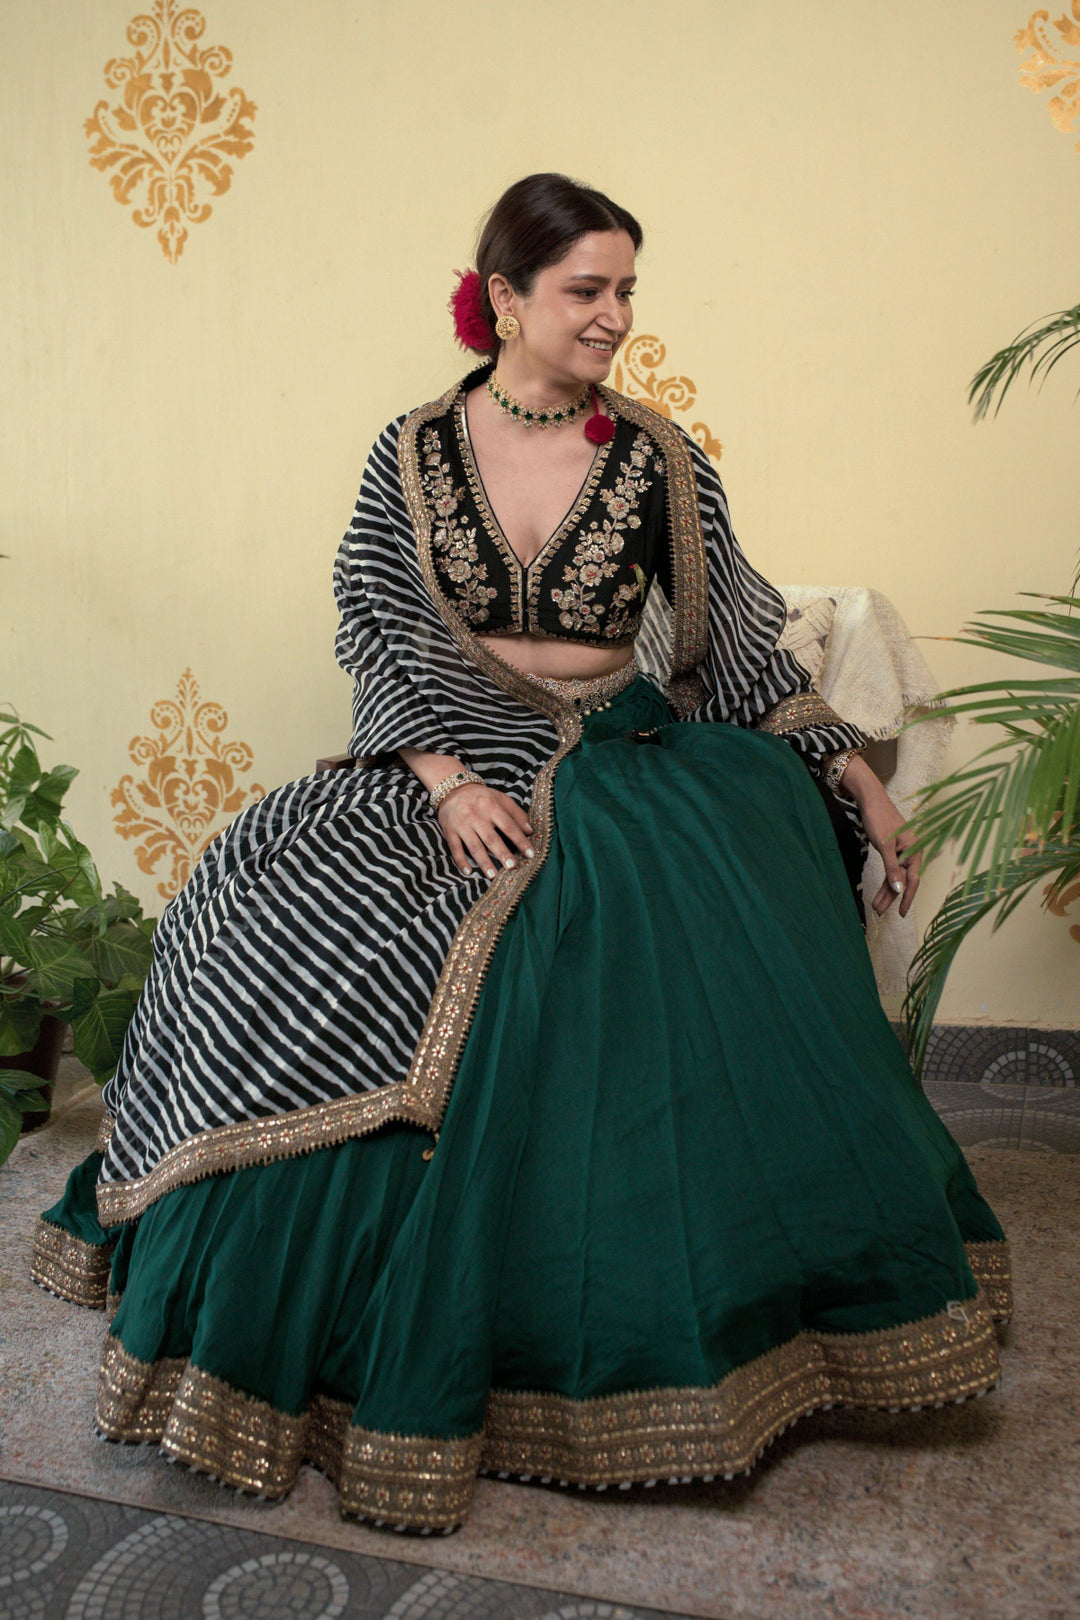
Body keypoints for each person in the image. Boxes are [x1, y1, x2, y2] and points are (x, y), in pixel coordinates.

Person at [32, 174, 1010, 1534]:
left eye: (626, 291)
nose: (615, 316)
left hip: (624, 751)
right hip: (446, 756)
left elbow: (738, 642)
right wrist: (439, 778)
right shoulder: (412, 450)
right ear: (505, 297)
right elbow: (373, 626)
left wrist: (853, 772)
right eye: (586, 290)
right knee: (256, 889)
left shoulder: (659, 455)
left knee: (635, 918)